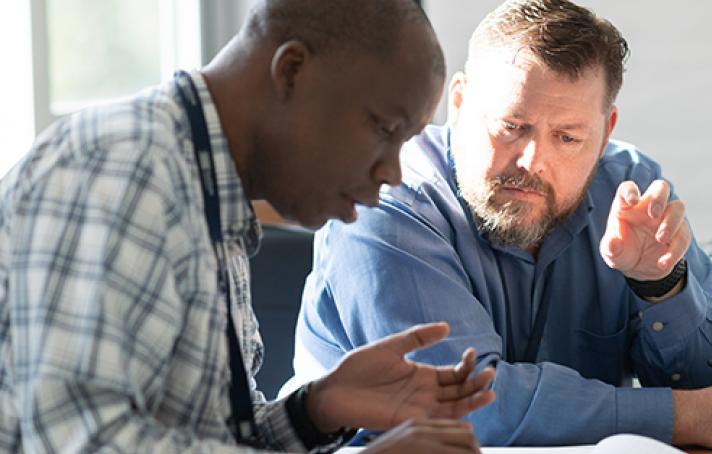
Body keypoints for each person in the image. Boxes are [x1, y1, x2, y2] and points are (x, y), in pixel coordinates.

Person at [287, 0, 712, 450]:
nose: (532, 161)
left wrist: (660, 286)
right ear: (459, 102)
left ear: (605, 130)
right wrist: (683, 415)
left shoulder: (628, 184)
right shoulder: (385, 202)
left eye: (567, 137)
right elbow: (467, 408)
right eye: (511, 126)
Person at [0, 0, 496, 452]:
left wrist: (316, 411)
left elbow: (209, 436)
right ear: (292, 70)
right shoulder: (127, 168)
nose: (392, 173)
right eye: (384, 129)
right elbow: (81, 442)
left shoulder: (210, 195)